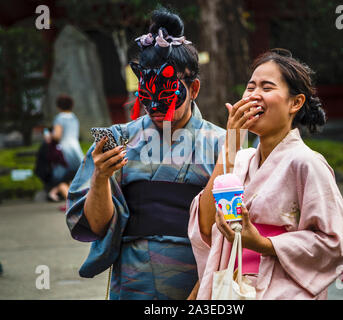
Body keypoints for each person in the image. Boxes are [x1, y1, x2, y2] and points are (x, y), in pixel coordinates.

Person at [65, 8, 225, 300]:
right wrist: (101, 177)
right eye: (147, 95)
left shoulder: (222, 145)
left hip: (201, 283)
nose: (157, 106)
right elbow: (94, 226)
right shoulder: (117, 140)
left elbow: (237, 225)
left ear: (195, 88)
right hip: (133, 282)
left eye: (168, 94)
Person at [188, 49, 343, 300]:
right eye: (250, 87)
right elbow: (205, 225)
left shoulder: (307, 163)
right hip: (230, 288)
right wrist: (232, 144)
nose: (254, 95)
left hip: (282, 290)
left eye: (267, 88)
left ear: (295, 103)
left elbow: (335, 243)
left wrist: (264, 244)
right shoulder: (241, 159)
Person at [45, 95, 84, 202]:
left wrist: (49, 135)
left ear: (58, 106)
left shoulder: (59, 118)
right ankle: (77, 200)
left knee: (61, 178)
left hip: (64, 150)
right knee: (74, 177)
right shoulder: (74, 117)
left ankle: (72, 203)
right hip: (76, 149)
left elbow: (57, 135)